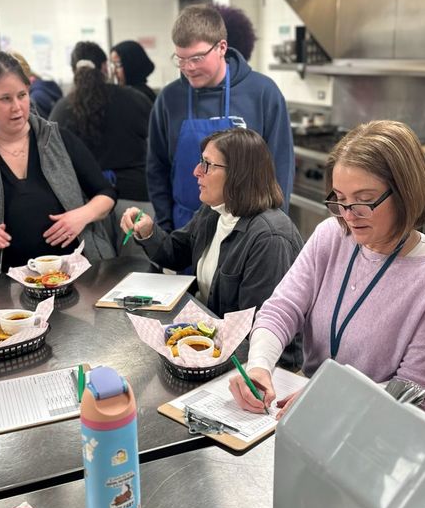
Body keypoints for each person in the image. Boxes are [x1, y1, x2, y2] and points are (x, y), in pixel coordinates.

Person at [228, 120, 425, 416]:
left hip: (376, 424)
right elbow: (282, 308)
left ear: (406, 192)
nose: (349, 215)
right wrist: (259, 365)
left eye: (364, 201)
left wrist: (331, 397)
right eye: (340, 199)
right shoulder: (331, 235)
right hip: (312, 408)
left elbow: (416, 392)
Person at [121, 129, 304, 362]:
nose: (196, 172)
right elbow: (176, 254)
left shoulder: (269, 239)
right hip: (214, 344)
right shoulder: (215, 210)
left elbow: (259, 335)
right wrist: (148, 231)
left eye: (207, 164)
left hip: (253, 364)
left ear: (239, 174)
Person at [0, 50, 118, 273]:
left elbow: (106, 193)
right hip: (7, 282)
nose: (17, 107)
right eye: (5, 99)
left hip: (79, 272)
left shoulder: (59, 140)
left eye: (22, 95)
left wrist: (81, 216)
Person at [147, 4, 294, 232]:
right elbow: (157, 167)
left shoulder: (262, 92)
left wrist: (274, 227)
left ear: (222, 47)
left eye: (196, 58)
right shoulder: (169, 98)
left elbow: (281, 165)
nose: (188, 68)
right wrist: (164, 226)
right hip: (183, 227)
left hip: (247, 229)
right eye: (181, 59)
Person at [50, 41, 152, 203]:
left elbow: (54, 161)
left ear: (74, 71)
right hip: (135, 197)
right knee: (141, 229)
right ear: (104, 67)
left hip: (86, 202)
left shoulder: (61, 110)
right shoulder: (134, 99)